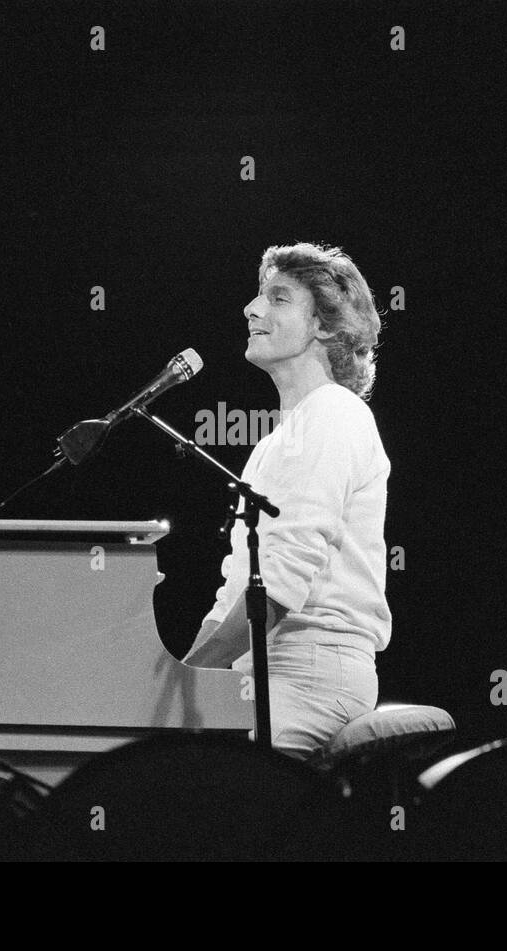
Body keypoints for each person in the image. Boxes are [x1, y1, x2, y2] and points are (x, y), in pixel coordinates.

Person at [182, 241, 391, 759]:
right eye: (258, 297)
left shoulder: (335, 414)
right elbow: (238, 585)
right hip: (263, 672)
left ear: (324, 324)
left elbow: (275, 587)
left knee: (195, 781)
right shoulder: (276, 442)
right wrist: (186, 673)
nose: (251, 309)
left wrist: (181, 680)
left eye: (277, 299)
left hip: (311, 677)